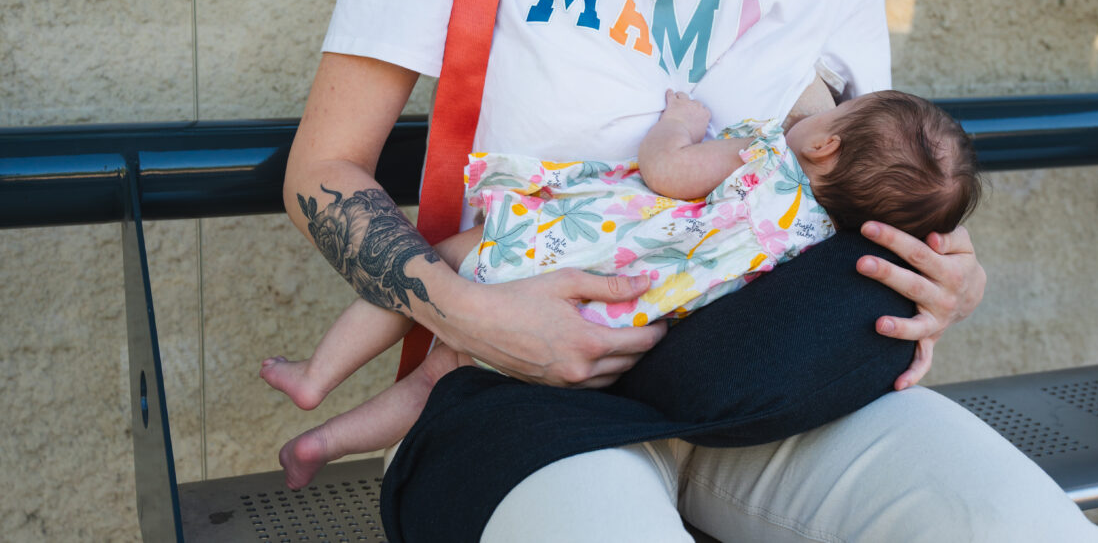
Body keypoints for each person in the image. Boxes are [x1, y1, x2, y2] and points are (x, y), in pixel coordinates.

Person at [283, 0, 1098, 538]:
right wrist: (468, 315)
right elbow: (324, 173)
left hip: (765, 379)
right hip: (518, 389)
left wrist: (948, 275)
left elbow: (860, 166)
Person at [265, 86, 983, 487]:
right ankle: (323, 444)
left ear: (824, 143)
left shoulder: (764, 156)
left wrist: (680, 122)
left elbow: (668, 172)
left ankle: (317, 375)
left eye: (839, 108)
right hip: (606, 327)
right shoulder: (818, 238)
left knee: (422, 264)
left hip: (555, 251)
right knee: (431, 386)